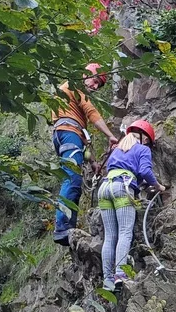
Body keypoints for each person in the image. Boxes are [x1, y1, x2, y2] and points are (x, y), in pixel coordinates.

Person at [51, 63, 119, 247]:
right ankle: (63, 227)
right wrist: (111, 136)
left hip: (66, 135)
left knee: (72, 179)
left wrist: (93, 163)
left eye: (98, 85)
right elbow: (92, 113)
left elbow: (83, 137)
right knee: (72, 179)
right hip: (68, 133)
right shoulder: (75, 85)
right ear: (84, 74)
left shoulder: (70, 100)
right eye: (95, 81)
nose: (95, 87)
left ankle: (66, 226)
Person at [97, 120, 166, 291]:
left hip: (105, 188)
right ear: (143, 138)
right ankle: (120, 274)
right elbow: (144, 171)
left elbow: (128, 171)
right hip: (122, 188)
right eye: (148, 141)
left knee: (110, 237)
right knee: (125, 233)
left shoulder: (117, 150)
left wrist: (140, 183)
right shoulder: (142, 149)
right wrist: (158, 186)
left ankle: (107, 280)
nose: (148, 145)